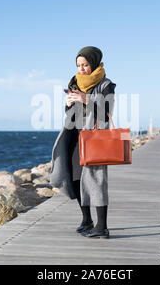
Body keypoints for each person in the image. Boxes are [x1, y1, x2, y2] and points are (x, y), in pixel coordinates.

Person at [49, 46, 116, 239]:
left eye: (85, 64)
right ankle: (87, 220)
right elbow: (71, 112)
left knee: (96, 180)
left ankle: (102, 226)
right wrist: (68, 104)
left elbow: (107, 110)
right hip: (74, 136)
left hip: (95, 137)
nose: (82, 69)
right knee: (75, 178)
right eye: (79, 65)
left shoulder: (106, 84)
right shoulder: (74, 82)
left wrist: (86, 98)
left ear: (94, 62)